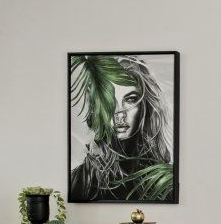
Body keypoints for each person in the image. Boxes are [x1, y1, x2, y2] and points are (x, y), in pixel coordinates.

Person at [69, 55, 173, 201]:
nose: (120, 114)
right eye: (109, 102)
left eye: (130, 99)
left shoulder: (163, 181)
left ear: (145, 104)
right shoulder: (80, 180)